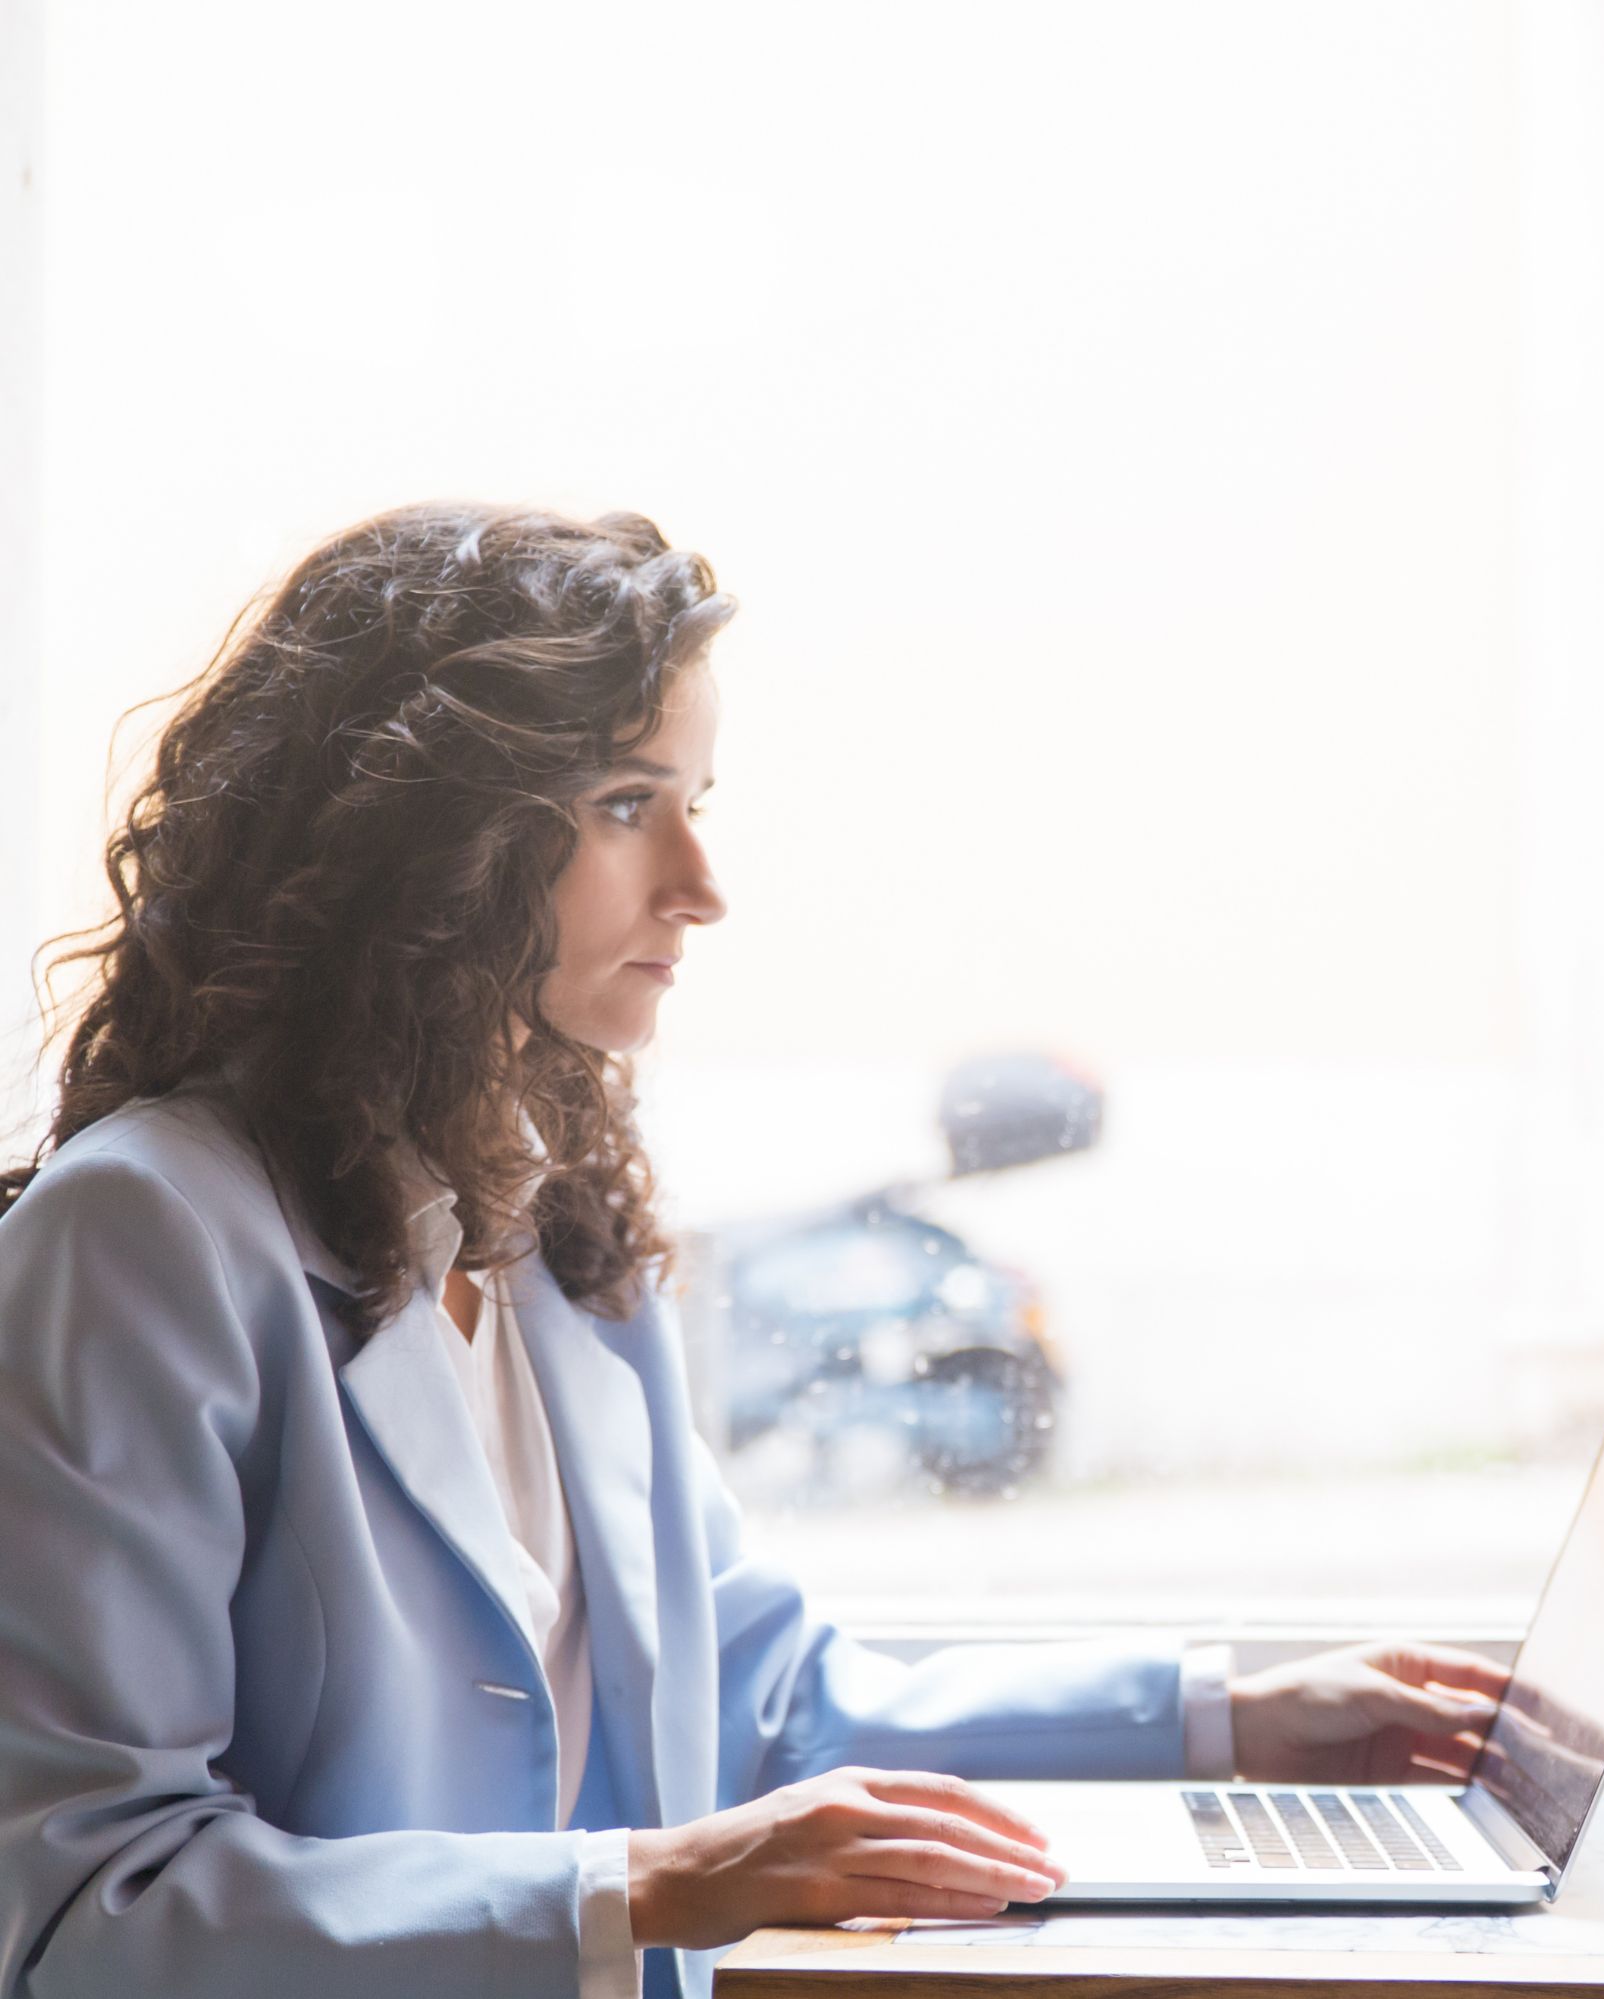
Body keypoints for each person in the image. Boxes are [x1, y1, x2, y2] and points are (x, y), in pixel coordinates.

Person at [0, 506, 1509, 1999]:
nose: (701, 887)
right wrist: (654, 1883)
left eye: (697, 799)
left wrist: (1226, 1719)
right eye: (622, 803)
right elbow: (89, 1901)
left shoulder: (556, 1230)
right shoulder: (142, 1239)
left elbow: (764, 1695)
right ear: (428, 838)